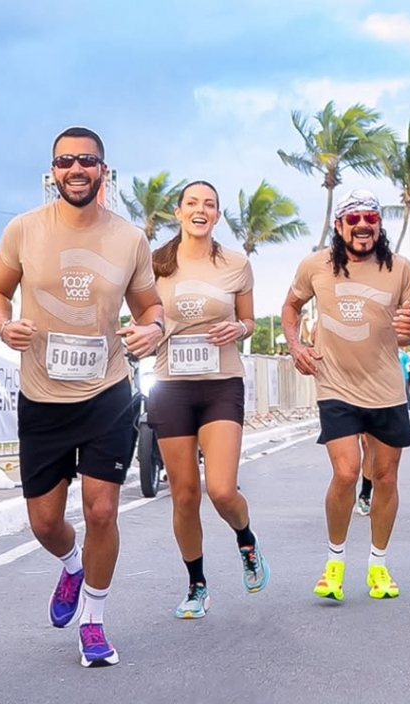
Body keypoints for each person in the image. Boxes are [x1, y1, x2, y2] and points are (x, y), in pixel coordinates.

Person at [0, 126, 164, 666]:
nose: (76, 169)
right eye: (65, 161)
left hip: (107, 391)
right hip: (42, 395)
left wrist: (153, 330)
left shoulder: (128, 239)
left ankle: (93, 620)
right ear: (53, 171)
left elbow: (150, 307)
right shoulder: (24, 229)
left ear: (102, 170)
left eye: (86, 160)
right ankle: (71, 567)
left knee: (102, 510)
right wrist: (3, 325)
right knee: (44, 521)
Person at [282, 189, 410, 602]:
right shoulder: (315, 265)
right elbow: (290, 307)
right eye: (353, 219)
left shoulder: (399, 268)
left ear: (379, 225)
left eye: (370, 218)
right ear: (339, 225)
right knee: (346, 472)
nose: (362, 225)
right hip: (335, 385)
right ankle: (334, 563)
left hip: (386, 388)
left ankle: (378, 565)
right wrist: (295, 347)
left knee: (385, 477)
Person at [146, 180, 265, 620]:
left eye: (210, 204)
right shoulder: (155, 263)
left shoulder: (235, 263)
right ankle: (197, 585)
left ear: (216, 215)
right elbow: (144, 315)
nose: (201, 210)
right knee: (184, 495)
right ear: (178, 213)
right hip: (170, 384)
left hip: (221, 383)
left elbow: (249, 319)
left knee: (221, 490)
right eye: (192, 203)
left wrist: (240, 328)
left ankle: (246, 539)